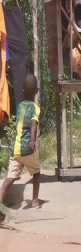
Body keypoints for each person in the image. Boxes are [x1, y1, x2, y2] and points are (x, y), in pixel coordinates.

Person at [1, 74, 41, 210]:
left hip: (15, 149)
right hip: (26, 148)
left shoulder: (19, 107)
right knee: (36, 173)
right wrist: (32, 140)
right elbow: (33, 125)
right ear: (36, 91)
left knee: (10, 178)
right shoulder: (35, 108)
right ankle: (35, 200)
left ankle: (0, 202)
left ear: (23, 90)